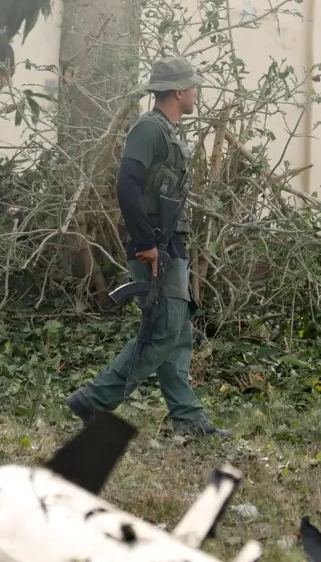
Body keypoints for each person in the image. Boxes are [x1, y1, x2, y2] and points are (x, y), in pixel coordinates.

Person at [66, 55, 230, 438]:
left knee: (177, 333)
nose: (197, 92)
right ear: (177, 91)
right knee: (162, 332)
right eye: (193, 86)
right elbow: (127, 184)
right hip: (154, 246)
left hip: (172, 243)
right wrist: (145, 242)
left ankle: (187, 419)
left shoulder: (168, 131)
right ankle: (93, 400)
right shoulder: (149, 129)